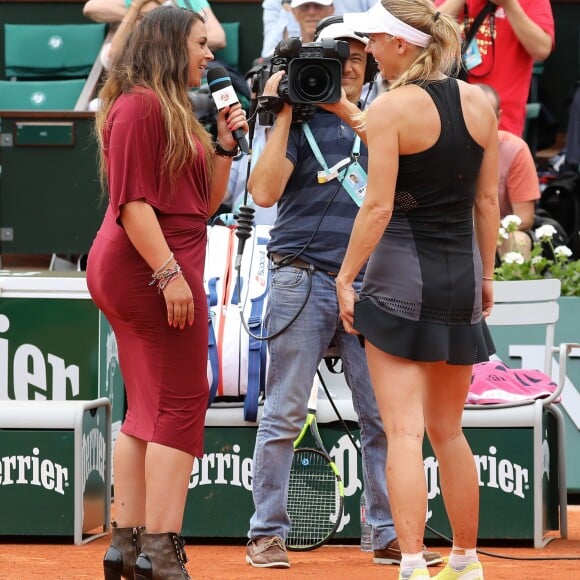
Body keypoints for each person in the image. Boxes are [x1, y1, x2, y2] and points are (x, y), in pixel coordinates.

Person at [244, 17, 443, 570]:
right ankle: (267, 534)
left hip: (372, 280)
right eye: (334, 52)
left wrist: (345, 112)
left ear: (372, 57)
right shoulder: (297, 114)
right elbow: (262, 192)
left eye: (357, 51)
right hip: (300, 274)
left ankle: (385, 531)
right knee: (283, 413)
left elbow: (408, 189)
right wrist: (284, 110)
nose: (348, 61)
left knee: (382, 415)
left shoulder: (390, 112)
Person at [336, 1, 499, 579]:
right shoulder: (481, 103)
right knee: (449, 431)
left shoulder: (390, 109)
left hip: (398, 281)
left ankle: (410, 564)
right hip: (458, 281)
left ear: (403, 45)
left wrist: (346, 276)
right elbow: (487, 203)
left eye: (376, 40)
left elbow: (378, 206)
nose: (369, 50)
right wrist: (485, 276)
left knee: (403, 431)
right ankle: (466, 560)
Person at [85, 6, 247, 579]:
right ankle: (160, 549)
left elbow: (203, 204)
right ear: (167, 45)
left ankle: (125, 547)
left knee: (148, 411)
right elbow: (132, 204)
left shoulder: (170, 106)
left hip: (148, 264)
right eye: (201, 44)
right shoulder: (140, 105)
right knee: (180, 405)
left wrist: (226, 145)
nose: (211, 55)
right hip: (149, 268)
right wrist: (170, 276)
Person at [435, 0, 554, 138]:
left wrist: (509, 5)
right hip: (448, 114)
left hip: (501, 119)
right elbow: (426, 32)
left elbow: (542, 50)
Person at [478, 83, 540, 259]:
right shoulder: (441, 146)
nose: (477, 121)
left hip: (500, 231)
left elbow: (525, 217)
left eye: (486, 115)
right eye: (471, 114)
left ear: (498, 118)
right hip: (454, 233)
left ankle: (519, 286)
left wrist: (489, 231)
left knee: (518, 241)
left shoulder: (515, 150)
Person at [83, 0, 226, 51]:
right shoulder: (137, 2)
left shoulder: (190, 1)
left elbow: (219, 38)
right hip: (149, 68)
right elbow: (91, 8)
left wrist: (173, 35)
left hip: (188, 66)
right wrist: (139, 12)